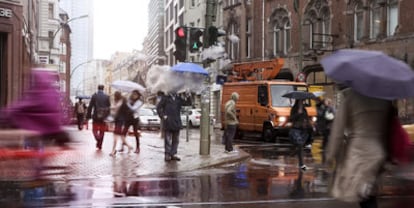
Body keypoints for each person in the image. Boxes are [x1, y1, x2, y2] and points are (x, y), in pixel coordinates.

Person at [325, 87, 392, 208]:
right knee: (369, 195)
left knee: (364, 196)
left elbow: (337, 131)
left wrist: (331, 155)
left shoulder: (351, 97)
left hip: (359, 153)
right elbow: (388, 128)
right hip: (378, 152)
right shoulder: (384, 99)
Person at [156, 91, 191, 162]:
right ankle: (167, 155)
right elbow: (158, 108)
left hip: (176, 121)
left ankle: (173, 154)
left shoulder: (178, 98)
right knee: (168, 140)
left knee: (176, 140)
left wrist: (188, 96)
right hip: (168, 121)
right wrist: (163, 116)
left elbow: (188, 104)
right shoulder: (165, 98)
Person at [289, 99, 312, 171]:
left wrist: (308, 123)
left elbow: (306, 118)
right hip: (296, 129)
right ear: (298, 101)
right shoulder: (294, 109)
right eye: (301, 101)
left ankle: (295, 152)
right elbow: (291, 119)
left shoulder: (304, 109)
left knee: (301, 145)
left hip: (303, 130)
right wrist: (298, 113)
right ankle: (301, 164)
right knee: (300, 145)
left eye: (303, 101)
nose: (302, 102)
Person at [86, 85, 111, 150]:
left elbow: (90, 107)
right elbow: (109, 108)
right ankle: (100, 144)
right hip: (104, 117)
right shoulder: (107, 97)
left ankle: (98, 139)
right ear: (103, 89)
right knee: (102, 130)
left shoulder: (94, 96)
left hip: (96, 116)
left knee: (94, 130)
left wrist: (88, 116)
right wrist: (108, 116)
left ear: (98, 89)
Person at [109, 91, 133, 156]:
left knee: (115, 136)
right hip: (117, 120)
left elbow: (128, 110)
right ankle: (129, 146)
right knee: (121, 136)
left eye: (115, 96)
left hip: (120, 121)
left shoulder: (123, 102)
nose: (114, 97)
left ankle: (113, 151)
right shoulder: (117, 102)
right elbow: (114, 111)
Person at [315, 97, 335, 163]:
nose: (325, 103)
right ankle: (325, 148)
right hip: (325, 126)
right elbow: (321, 116)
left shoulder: (331, 108)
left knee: (327, 137)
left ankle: (327, 148)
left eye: (326, 102)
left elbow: (333, 116)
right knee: (326, 137)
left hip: (329, 126)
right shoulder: (324, 108)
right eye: (325, 102)